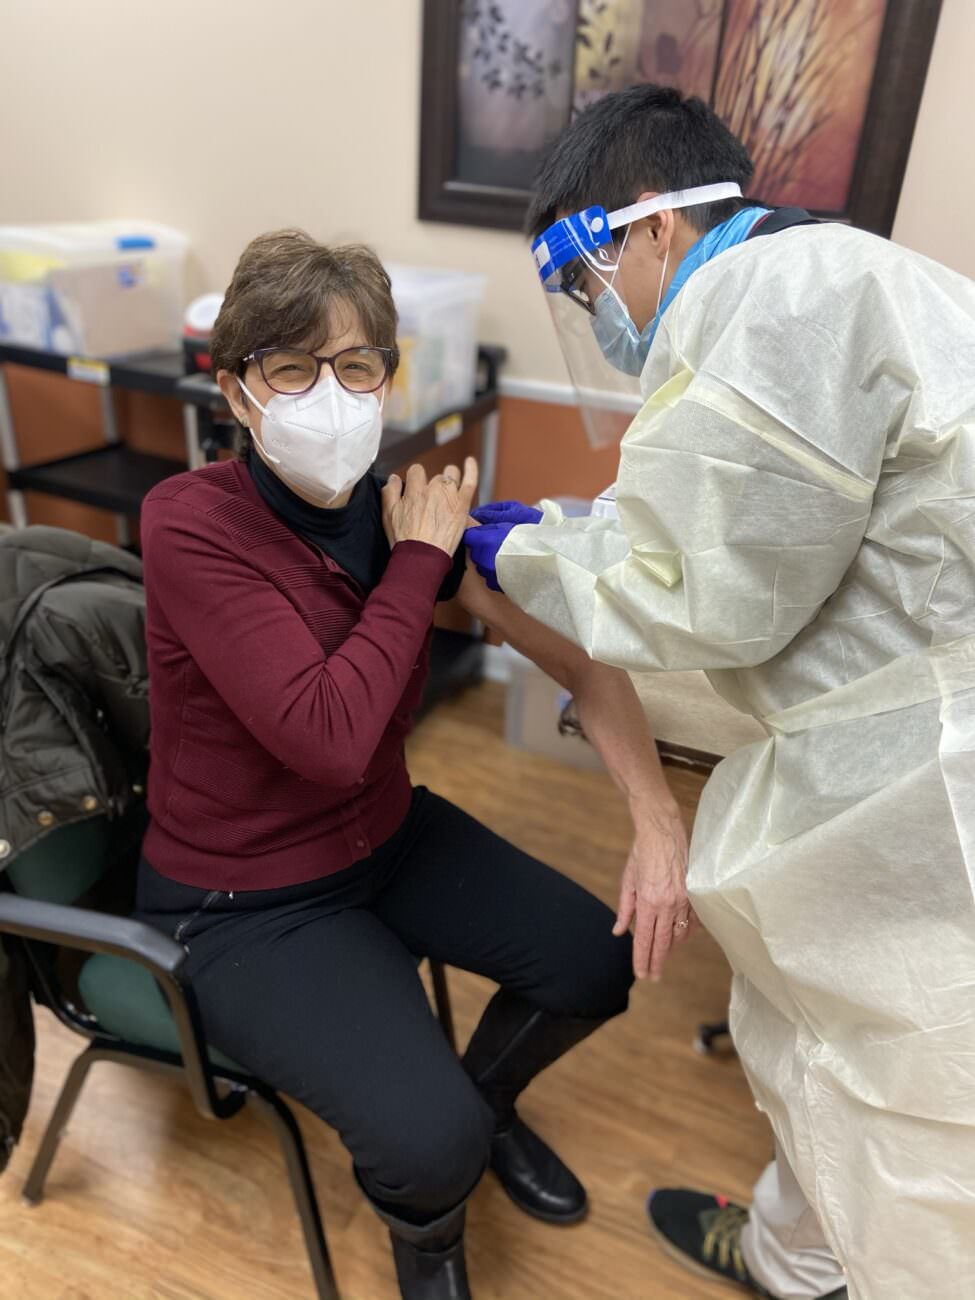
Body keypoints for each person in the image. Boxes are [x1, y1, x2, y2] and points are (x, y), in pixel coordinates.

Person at [464, 85, 975, 1300]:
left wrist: (530, 554)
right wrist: (576, 540)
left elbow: (702, 593)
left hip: (923, 777)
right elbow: (783, 540)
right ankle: (796, 1258)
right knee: (828, 1054)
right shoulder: (867, 276)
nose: (597, 316)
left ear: (649, 221)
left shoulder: (770, 302)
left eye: (588, 280)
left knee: (904, 1097)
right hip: (911, 705)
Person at [136, 230, 692, 1300]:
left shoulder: (392, 513)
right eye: (291, 368)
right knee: (425, 1143)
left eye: (357, 366)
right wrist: (424, 563)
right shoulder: (189, 524)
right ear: (236, 393)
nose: (330, 393)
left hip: (382, 838)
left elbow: (577, 659)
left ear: (389, 377)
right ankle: (434, 1216)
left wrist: (657, 823)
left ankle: (483, 1111)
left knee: (596, 958)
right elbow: (328, 734)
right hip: (244, 896)